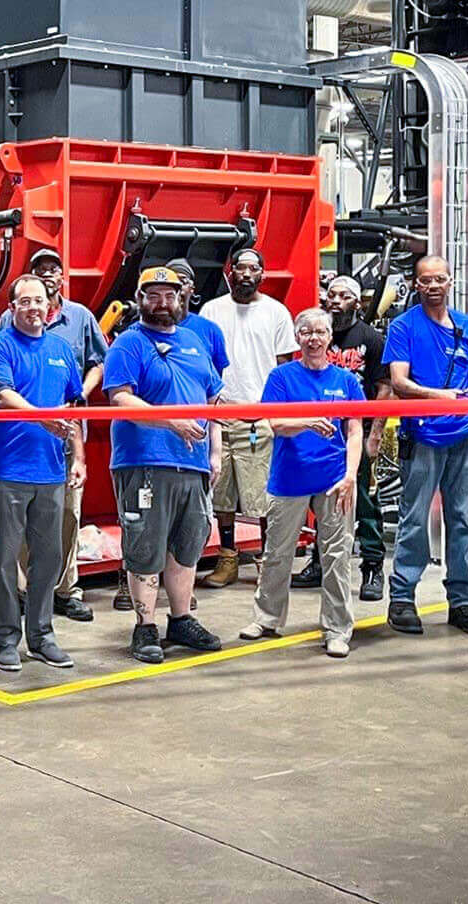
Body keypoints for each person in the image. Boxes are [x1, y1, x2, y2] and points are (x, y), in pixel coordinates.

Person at [103, 266, 226, 663]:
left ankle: (181, 618)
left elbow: (213, 401)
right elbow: (120, 400)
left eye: (169, 295)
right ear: (139, 300)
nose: (162, 303)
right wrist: (170, 419)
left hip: (191, 465)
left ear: (181, 298)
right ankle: (144, 626)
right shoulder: (128, 344)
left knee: (188, 544)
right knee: (145, 546)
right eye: (153, 295)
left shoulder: (194, 341)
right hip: (144, 462)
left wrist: (216, 450)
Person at [382, 254, 468, 638]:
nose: (433, 286)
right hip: (423, 438)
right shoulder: (403, 328)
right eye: (425, 280)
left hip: (467, 439)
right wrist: (439, 397)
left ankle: (463, 601)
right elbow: (399, 382)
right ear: (416, 285)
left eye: (440, 279)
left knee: (463, 521)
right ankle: (402, 598)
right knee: (414, 520)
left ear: (451, 282)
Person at [0, 275, 83, 672]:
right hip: (7, 468)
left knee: (49, 556)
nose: (34, 308)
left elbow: (72, 409)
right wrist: (43, 419)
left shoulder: (60, 349)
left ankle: (42, 635)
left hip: (51, 470)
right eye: (25, 302)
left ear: (50, 306)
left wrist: (78, 457)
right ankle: (6, 638)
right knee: (4, 558)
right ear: (12, 307)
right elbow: (0, 393)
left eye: (40, 301)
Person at [245, 309, 363, 657]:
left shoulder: (347, 381)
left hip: (333, 479)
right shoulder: (282, 377)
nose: (314, 338)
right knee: (277, 554)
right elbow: (274, 424)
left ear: (330, 338)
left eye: (320, 332)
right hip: (289, 478)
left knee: (337, 555)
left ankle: (338, 629)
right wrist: (310, 421)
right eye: (307, 332)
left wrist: (351, 476)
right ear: (298, 339)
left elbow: (355, 430)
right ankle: (266, 618)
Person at [194, 247, 297, 587]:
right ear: (230, 271)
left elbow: (285, 367)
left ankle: (269, 562)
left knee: (264, 494)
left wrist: (278, 412)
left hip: (260, 416)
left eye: (254, 269)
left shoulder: (276, 312)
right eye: (241, 268)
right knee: (221, 494)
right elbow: (204, 362)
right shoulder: (212, 311)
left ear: (262, 274)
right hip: (221, 414)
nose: (247, 274)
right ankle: (228, 559)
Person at [21, 248, 107, 624]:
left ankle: (66, 589)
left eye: (54, 269)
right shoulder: (13, 320)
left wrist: (82, 392)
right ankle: (28, 589)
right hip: (27, 435)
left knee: (69, 513)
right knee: (29, 514)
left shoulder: (81, 318)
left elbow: (99, 362)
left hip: (70, 434)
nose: (49, 275)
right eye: (40, 271)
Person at [318, 274, 391, 601]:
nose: (334, 300)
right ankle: (320, 562)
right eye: (331, 294)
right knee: (321, 499)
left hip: (355, 433)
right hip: (320, 433)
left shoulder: (371, 339)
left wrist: (375, 434)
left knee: (363, 498)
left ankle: (373, 565)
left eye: (343, 296)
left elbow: (384, 388)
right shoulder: (318, 336)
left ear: (357, 303)